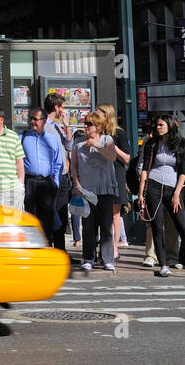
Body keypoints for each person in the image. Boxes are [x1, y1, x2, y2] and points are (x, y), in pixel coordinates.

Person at [139, 112, 185, 278]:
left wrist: (177, 193)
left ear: (170, 126)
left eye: (161, 125)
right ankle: (163, 265)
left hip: (173, 188)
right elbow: (145, 168)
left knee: (183, 227)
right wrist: (141, 193)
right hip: (153, 186)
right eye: (157, 125)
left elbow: (183, 172)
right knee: (157, 227)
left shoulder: (182, 145)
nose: (158, 128)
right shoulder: (151, 144)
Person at [70, 111, 118, 271]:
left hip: (104, 188)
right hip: (86, 190)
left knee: (106, 225)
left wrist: (96, 145)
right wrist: (77, 185)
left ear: (98, 127)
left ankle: (107, 259)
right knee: (88, 226)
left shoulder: (107, 140)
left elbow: (112, 157)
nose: (85, 126)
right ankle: (88, 258)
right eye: (85, 123)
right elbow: (74, 166)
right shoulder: (77, 143)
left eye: (89, 124)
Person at [20, 108, 64, 243]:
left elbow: (58, 163)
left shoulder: (52, 139)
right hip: (29, 182)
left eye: (35, 119)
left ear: (44, 121)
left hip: (47, 183)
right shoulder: (23, 137)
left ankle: (46, 245)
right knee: (29, 216)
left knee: (47, 217)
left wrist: (55, 182)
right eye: (31, 118)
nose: (32, 121)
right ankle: (31, 245)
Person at [96, 104, 131, 249]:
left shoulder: (119, 133)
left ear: (107, 115)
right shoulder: (97, 132)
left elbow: (127, 158)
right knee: (102, 214)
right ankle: (105, 245)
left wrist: (113, 148)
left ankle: (115, 247)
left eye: (99, 113)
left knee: (115, 214)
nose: (97, 116)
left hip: (116, 174)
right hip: (100, 174)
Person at [43, 92, 74, 250]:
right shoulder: (45, 126)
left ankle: (61, 250)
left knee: (62, 213)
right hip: (51, 176)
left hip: (63, 175)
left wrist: (66, 124)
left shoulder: (57, 126)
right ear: (56, 108)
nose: (64, 110)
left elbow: (69, 146)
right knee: (51, 212)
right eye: (63, 107)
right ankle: (50, 248)